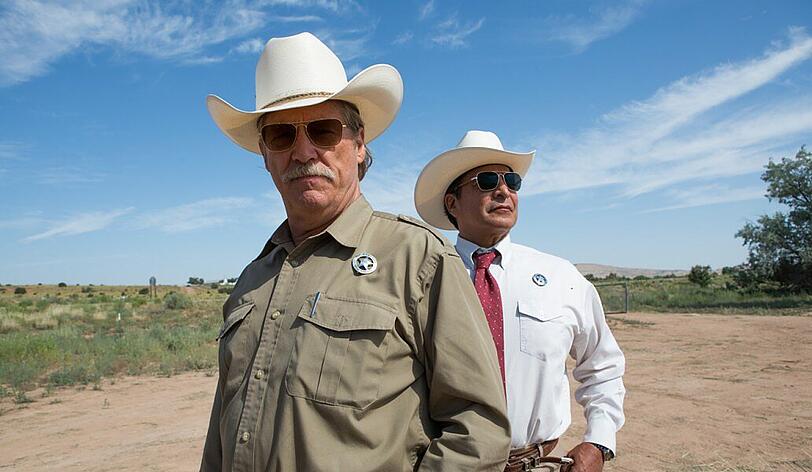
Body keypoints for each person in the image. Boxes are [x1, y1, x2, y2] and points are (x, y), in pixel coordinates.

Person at [200, 34, 511, 472]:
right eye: (281, 135)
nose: (303, 151)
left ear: (359, 143)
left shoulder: (418, 258)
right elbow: (223, 433)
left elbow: (478, 429)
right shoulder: (253, 280)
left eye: (323, 130)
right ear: (265, 156)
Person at [414, 130, 626, 472]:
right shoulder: (423, 278)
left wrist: (599, 442)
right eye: (486, 181)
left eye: (511, 181)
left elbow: (602, 365)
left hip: (537, 464)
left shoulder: (560, 276)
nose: (503, 191)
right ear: (452, 203)